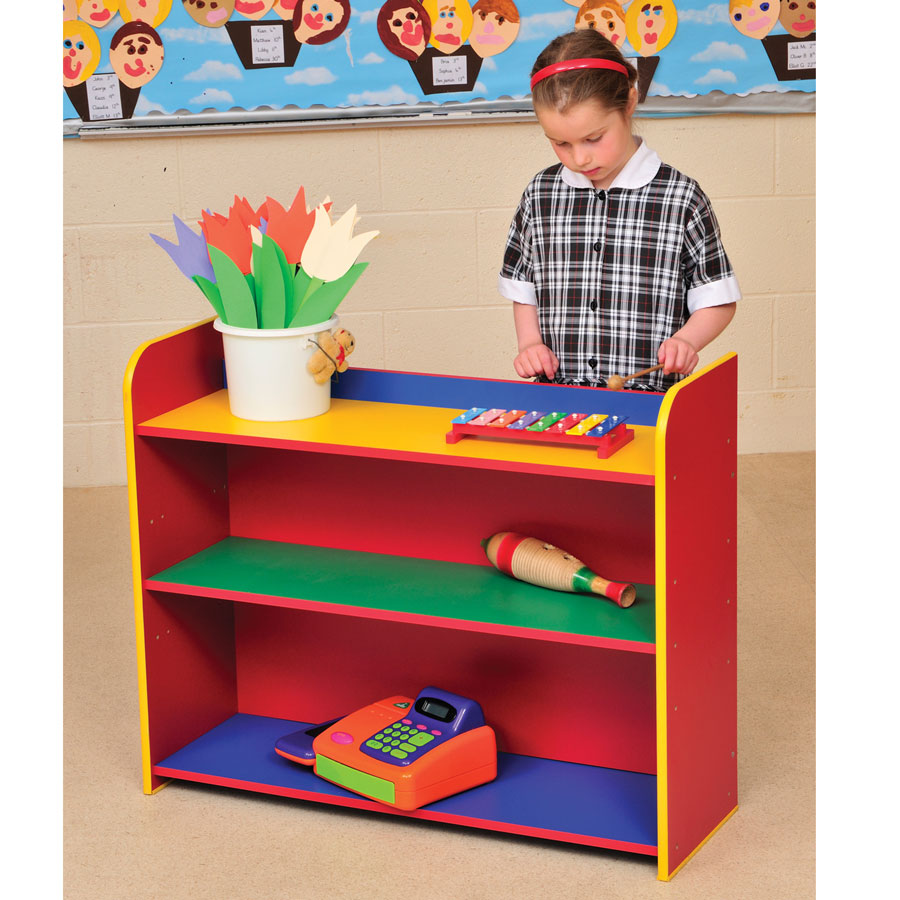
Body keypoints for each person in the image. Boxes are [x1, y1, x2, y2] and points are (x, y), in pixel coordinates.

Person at [500, 29, 739, 391]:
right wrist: (530, 343)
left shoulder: (681, 198)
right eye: (560, 143)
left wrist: (688, 340)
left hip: (651, 400)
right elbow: (523, 288)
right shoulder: (540, 195)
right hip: (561, 396)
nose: (579, 158)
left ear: (628, 102)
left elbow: (718, 298)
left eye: (594, 138)